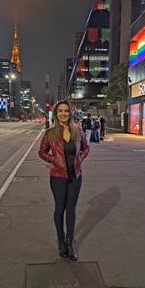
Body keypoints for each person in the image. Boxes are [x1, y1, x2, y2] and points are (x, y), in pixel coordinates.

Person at [38, 100, 89, 262]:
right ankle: (60, 241)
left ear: (70, 113)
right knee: (60, 208)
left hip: (75, 175)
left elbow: (86, 148)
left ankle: (70, 241)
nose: (63, 114)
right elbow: (41, 152)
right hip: (58, 176)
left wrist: (79, 158)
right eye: (60, 111)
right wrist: (55, 160)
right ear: (56, 113)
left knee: (71, 209)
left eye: (66, 111)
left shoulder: (78, 131)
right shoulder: (50, 133)